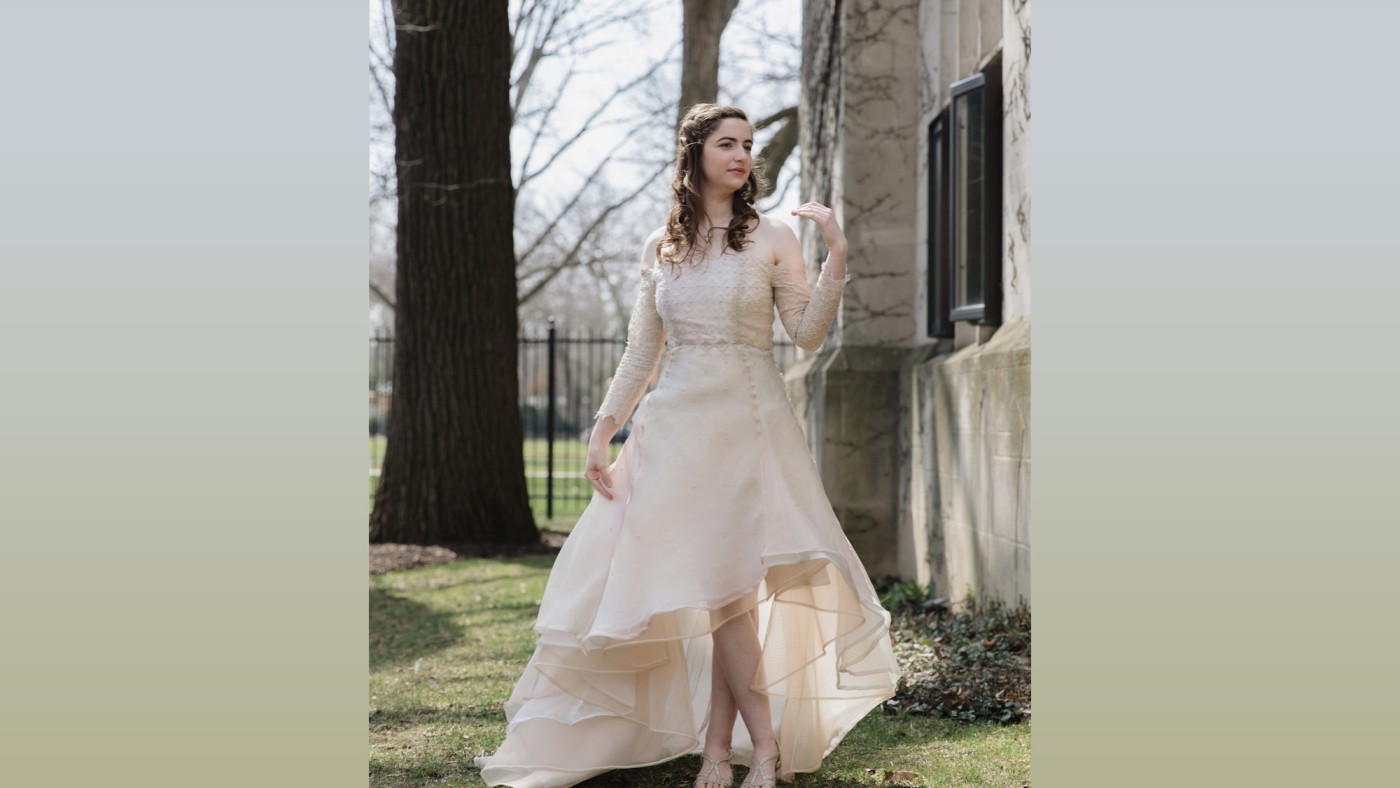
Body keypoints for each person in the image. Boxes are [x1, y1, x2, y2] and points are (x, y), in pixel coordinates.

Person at [475, 104, 899, 788]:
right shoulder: (661, 246)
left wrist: (837, 258)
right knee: (714, 592)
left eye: (749, 146)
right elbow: (643, 349)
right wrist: (604, 427)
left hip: (748, 427)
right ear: (695, 152)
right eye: (726, 144)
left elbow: (807, 334)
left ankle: (746, 750)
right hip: (674, 430)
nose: (741, 156)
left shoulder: (773, 234)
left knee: (728, 594)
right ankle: (729, 749)